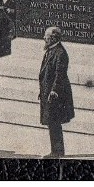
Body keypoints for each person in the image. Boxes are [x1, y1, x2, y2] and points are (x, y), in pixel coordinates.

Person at [38, 26, 74, 159]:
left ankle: (57, 152)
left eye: (46, 36)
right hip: (48, 93)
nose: (44, 38)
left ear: (52, 38)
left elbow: (60, 75)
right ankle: (56, 151)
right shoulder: (51, 50)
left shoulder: (60, 53)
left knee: (54, 122)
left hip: (56, 95)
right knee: (52, 123)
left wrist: (53, 91)